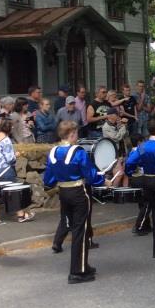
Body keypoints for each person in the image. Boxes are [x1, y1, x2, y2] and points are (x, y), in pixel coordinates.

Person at [43, 120, 106, 283]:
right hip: (79, 192)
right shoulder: (78, 152)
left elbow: (48, 179)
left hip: (63, 192)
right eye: (76, 133)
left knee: (74, 227)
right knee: (81, 231)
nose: (77, 136)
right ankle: (77, 272)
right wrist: (103, 179)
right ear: (71, 134)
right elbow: (90, 174)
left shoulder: (53, 152)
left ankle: (83, 264)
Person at [125, 119, 155, 258]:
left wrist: (130, 172)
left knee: (151, 208)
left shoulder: (142, 146)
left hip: (146, 179)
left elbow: (130, 161)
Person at [0, 117, 35, 225]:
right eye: (11, 126)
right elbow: (10, 159)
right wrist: (16, 155)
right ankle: (21, 215)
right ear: (8, 128)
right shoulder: (6, 140)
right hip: (6, 170)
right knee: (14, 192)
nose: (13, 127)